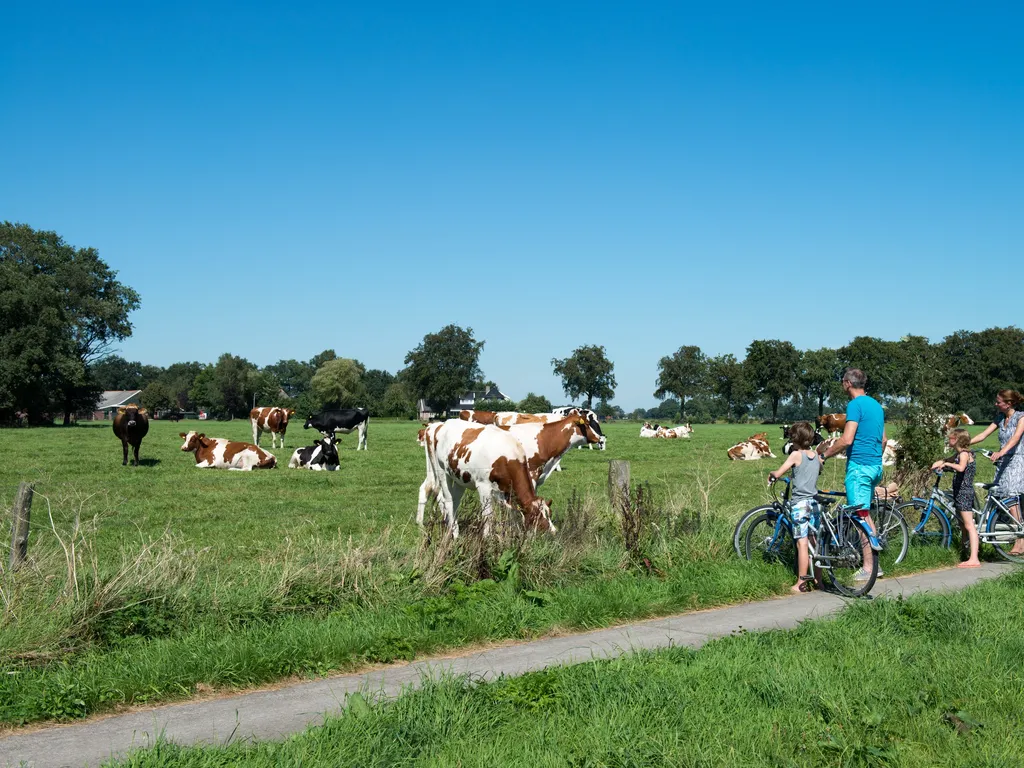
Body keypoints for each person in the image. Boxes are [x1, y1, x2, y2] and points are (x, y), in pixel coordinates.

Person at [820, 368, 884, 580]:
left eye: (842, 382)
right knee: (865, 514)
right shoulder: (876, 405)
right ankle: (874, 563)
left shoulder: (855, 405)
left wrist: (824, 455)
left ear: (847, 383)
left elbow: (847, 439)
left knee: (859, 516)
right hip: (875, 466)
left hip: (859, 467)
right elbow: (883, 440)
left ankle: (869, 567)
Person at [768, 421, 823, 593]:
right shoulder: (816, 456)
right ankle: (818, 580)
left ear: (795, 439)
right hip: (815, 503)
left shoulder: (796, 455)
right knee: (815, 542)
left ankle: (801, 582)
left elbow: (780, 471)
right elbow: (818, 469)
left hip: (800, 504)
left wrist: (773, 475)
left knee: (802, 543)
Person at [970, 389, 1024, 556]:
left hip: (1017, 460)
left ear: (1008, 403)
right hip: (1003, 463)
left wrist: (1001, 452)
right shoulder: (1000, 418)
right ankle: (1016, 536)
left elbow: (1015, 438)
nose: (996, 404)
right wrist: (964, 443)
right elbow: (983, 435)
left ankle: (1019, 541)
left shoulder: (1021, 417)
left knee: (1011, 497)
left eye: (998, 401)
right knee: (1002, 497)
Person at [932, 427, 980, 567]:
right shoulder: (958, 453)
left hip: (965, 492)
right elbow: (947, 460)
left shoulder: (964, 454)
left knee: (969, 525)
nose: (948, 439)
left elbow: (960, 468)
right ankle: (964, 551)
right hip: (959, 492)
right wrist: (939, 464)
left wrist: (946, 464)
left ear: (957, 440)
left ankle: (974, 559)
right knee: (962, 524)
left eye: (951, 437)